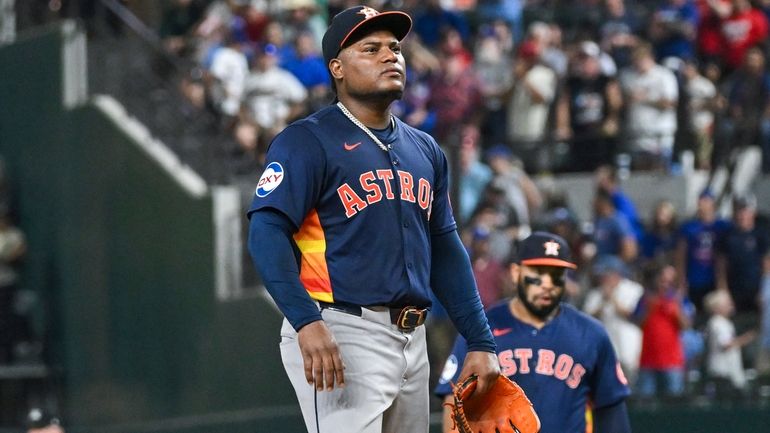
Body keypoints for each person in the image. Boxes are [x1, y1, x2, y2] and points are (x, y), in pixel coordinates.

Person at [246, 6, 499, 433]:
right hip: (341, 329)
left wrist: (480, 338)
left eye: (395, 47)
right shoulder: (306, 141)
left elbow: (445, 247)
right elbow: (266, 231)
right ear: (337, 68)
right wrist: (306, 320)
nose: (390, 56)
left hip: (412, 338)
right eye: (371, 48)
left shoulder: (426, 150)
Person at [435, 232, 632, 433]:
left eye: (556, 275)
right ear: (515, 273)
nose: (547, 284)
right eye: (538, 273)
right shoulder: (481, 330)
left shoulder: (591, 334)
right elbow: (453, 400)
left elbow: (611, 408)